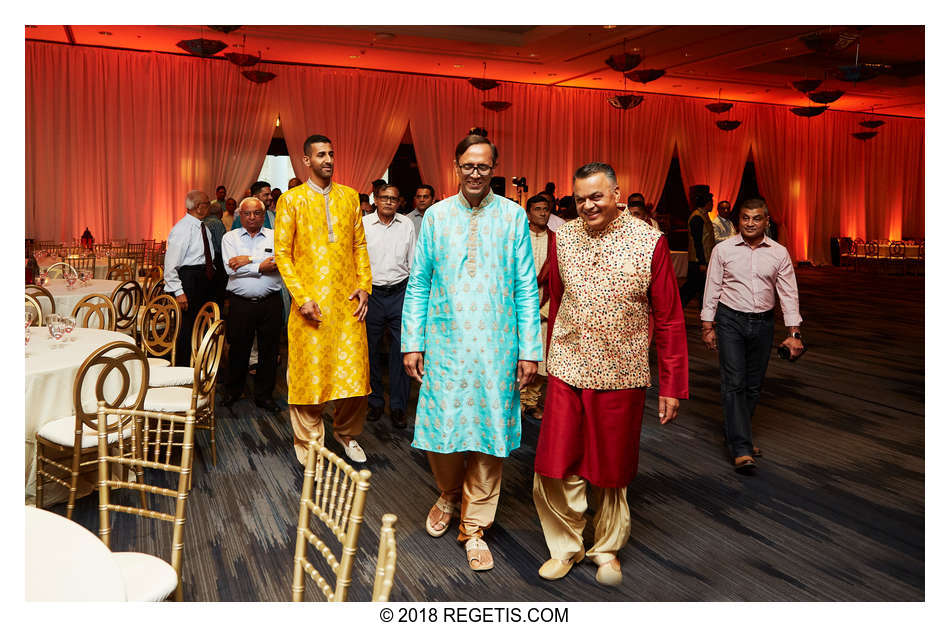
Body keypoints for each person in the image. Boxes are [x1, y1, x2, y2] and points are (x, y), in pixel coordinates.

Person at [533, 162, 688, 587]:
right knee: (555, 462)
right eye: (580, 198)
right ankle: (565, 547)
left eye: (597, 196)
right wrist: (545, 361)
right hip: (567, 366)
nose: (588, 205)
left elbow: (670, 318)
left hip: (622, 371)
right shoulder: (563, 238)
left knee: (611, 468)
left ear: (618, 194)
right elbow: (557, 300)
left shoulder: (648, 242)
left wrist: (672, 385)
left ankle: (606, 549)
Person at [401, 134, 542, 572]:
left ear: (493, 169)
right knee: (442, 429)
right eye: (469, 166)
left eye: (484, 166)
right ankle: (447, 493)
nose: (476, 173)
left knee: (488, 434)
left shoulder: (514, 216)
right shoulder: (438, 217)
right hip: (444, 344)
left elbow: (524, 286)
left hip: (498, 347)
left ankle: (475, 523)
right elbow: (419, 282)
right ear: (456, 166)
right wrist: (413, 341)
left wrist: (529, 349)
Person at [274, 134, 372, 464]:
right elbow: (282, 256)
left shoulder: (348, 198)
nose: (328, 159)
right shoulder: (291, 200)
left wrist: (365, 286)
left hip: (347, 305)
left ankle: (346, 434)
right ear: (306, 161)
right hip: (309, 308)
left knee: (354, 378)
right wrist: (302, 298)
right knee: (308, 377)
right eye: (320, 155)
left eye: (331, 153)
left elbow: (359, 246)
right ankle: (310, 443)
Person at [701, 198, 803, 472]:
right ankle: (742, 448)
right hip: (730, 320)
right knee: (734, 381)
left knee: (754, 385)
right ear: (739, 221)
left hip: (763, 323)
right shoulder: (723, 250)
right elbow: (712, 286)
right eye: (745, 218)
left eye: (756, 218)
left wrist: (794, 332)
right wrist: (707, 324)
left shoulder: (779, 253)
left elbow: (788, 293)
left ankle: (736, 434)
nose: (750, 223)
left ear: (766, 221)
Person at [221, 197, 284, 412]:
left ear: (263, 215)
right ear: (240, 215)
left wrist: (246, 260)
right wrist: (260, 265)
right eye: (247, 213)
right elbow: (231, 269)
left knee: (270, 350)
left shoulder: (276, 237)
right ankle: (233, 391)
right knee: (239, 348)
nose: (252, 217)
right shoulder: (230, 238)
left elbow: (279, 263)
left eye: (257, 213)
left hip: (270, 303)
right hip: (241, 304)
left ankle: (264, 396)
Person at [363, 184, 416, 429]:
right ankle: (374, 402)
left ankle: (397, 406)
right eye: (384, 198)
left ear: (399, 202)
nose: (388, 202)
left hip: (400, 292)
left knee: (401, 352)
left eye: (393, 199)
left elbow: (413, 261)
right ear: (375, 199)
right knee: (370, 351)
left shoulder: (406, 224)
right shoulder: (363, 225)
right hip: (371, 294)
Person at [164, 190, 217, 366]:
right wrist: (179, 292)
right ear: (198, 207)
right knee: (187, 330)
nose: (210, 206)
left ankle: (200, 365)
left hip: (204, 280)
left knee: (202, 325)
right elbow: (171, 265)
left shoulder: (203, 227)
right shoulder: (182, 229)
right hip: (189, 281)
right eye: (207, 203)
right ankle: (182, 370)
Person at [522, 194, 554, 421]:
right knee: (518, 357)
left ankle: (531, 402)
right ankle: (517, 402)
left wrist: (545, 310)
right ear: (528, 213)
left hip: (544, 305)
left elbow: (560, 280)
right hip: (518, 306)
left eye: (546, 209)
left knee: (542, 359)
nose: (543, 213)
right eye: (538, 209)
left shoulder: (556, 241)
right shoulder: (518, 237)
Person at [679, 184, 715, 310]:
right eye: (711, 202)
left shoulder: (704, 216)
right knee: (692, 288)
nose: (712, 204)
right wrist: (702, 262)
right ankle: (676, 308)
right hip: (698, 260)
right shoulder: (697, 217)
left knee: (699, 288)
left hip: (704, 259)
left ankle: (704, 313)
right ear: (706, 203)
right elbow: (697, 242)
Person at [202, 199, 228, 307]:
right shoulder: (217, 223)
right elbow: (221, 244)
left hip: (204, 261)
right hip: (216, 260)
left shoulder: (203, 222)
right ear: (220, 212)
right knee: (218, 291)